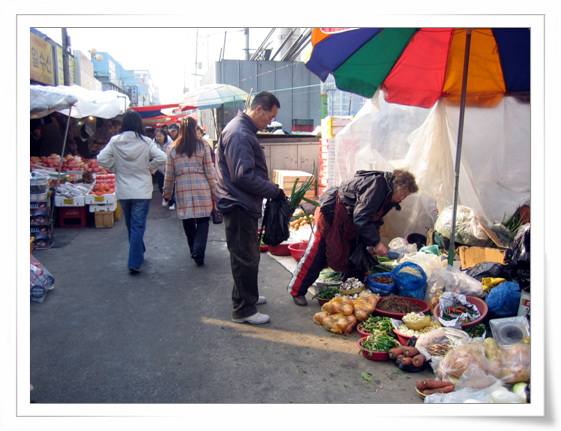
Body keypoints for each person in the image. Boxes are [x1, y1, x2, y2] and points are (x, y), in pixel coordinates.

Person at [287, 169, 419, 306]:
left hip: (349, 222)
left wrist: (372, 243)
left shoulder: (388, 193)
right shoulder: (376, 187)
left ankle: (348, 292)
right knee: (316, 254)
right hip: (330, 215)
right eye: (402, 194)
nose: (402, 198)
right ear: (396, 186)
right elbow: (361, 217)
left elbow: (373, 218)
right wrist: (376, 242)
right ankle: (297, 291)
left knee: (355, 257)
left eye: (406, 196)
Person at [215, 91, 285, 325]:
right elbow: (242, 176)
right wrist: (272, 190)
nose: (270, 122)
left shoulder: (242, 130)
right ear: (258, 110)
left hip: (241, 202)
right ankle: (244, 309)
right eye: (270, 117)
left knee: (246, 254)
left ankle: (246, 296)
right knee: (245, 257)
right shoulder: (240, 133)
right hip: (238, 204)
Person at [97, 110, 167, 274]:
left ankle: (137, 253)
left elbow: (101, 159)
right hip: (141, 190)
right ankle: (134, 261)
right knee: (137, 226)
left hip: (123, 190)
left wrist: (116, 168)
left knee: (131, 225)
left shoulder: (115, 141)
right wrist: (149, 168)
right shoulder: (146, 141)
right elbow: (162, 157)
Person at [163, 117, 216, 266]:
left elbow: (169, 173)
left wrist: (167, 191)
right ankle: (198, 251)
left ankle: (193, 248)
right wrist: (214, 190)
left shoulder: (173, 148)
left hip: (182, 186)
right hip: (202, 185)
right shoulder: (203, 146)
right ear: (195, 129)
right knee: (203, 219)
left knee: (187, 219)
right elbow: (209, 170)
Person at [152, 128, 176, 210]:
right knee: (160, 185)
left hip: (169, 167)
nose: (158, 138)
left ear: (164, 136)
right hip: (159, 168)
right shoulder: (153, 143)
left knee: (170, 185)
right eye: (157, 136)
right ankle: (165, 198)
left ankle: (171, 202)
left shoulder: (170, 142)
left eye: (160, 136)